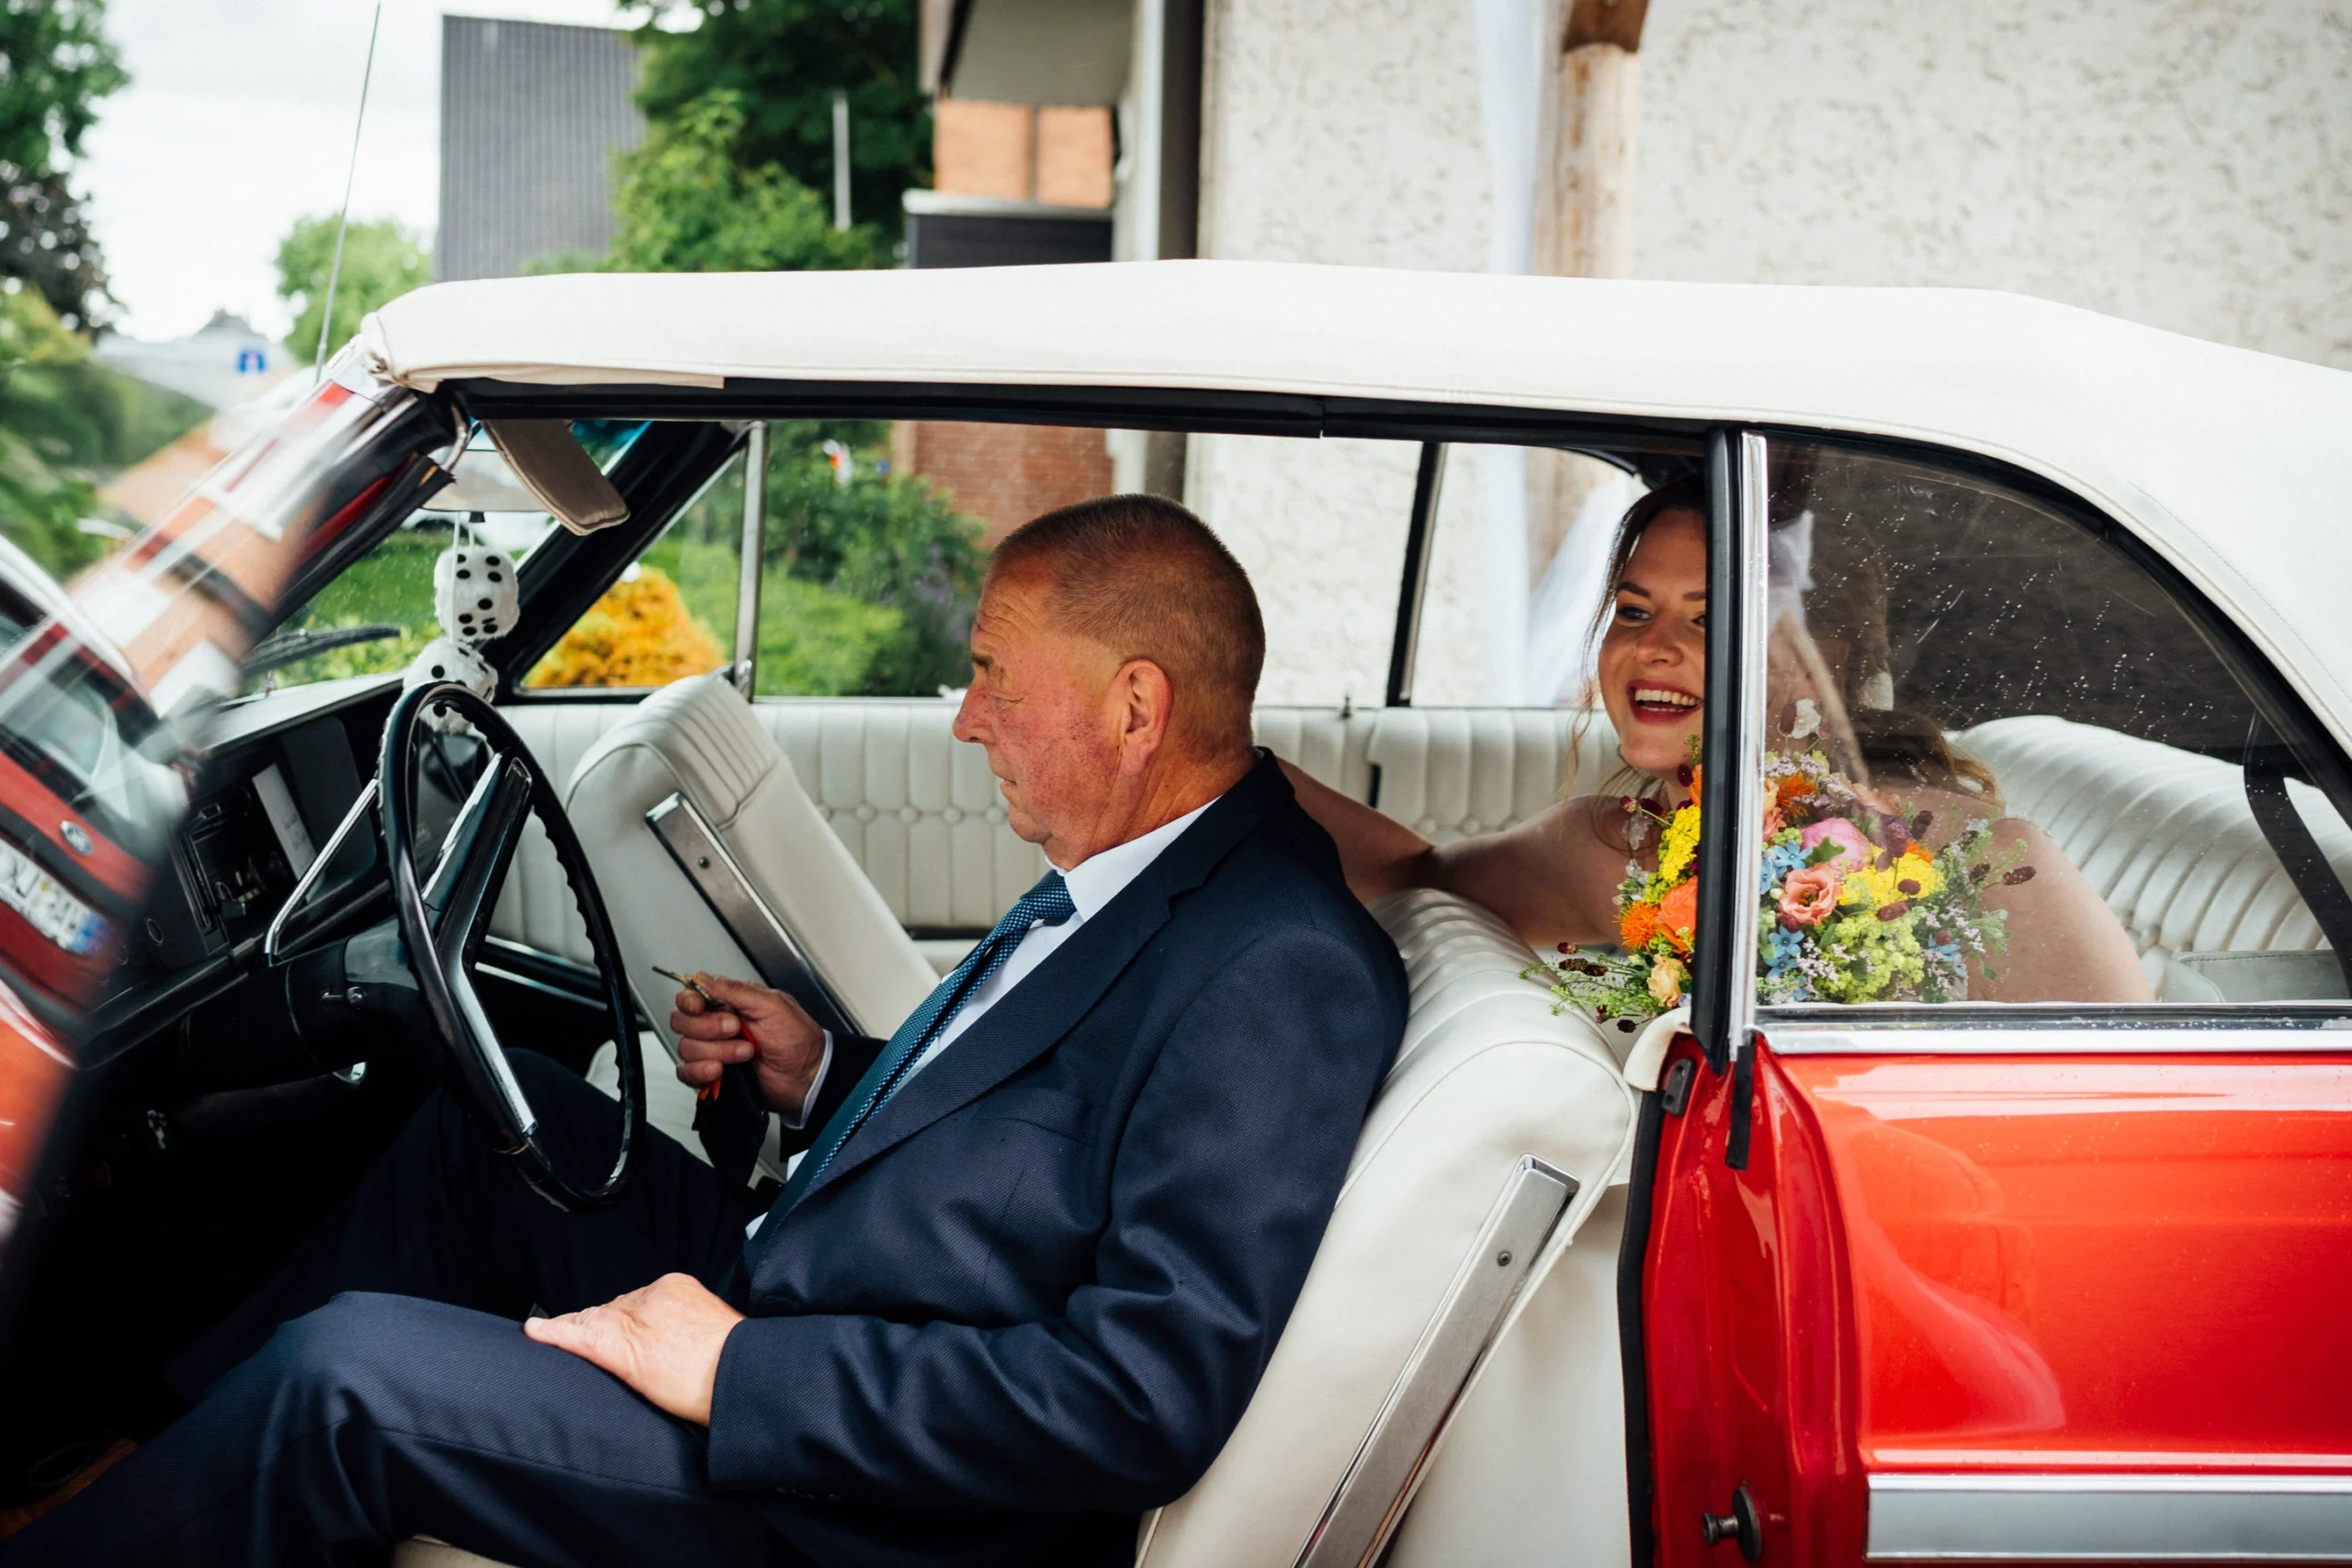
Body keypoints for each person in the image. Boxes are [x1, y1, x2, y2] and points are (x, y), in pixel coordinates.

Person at [4, 496, 1408, 1567]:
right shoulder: (1160, 864)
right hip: (823, 1296)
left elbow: (1135, 1395)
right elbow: (1042, 1135)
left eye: (990, 671)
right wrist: (827, 1076)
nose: (967, 718)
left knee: (353, 1374)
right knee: (497, 1130)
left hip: (874, 1499)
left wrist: (738, 1366)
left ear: (1136, 705)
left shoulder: (1276, 967)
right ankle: (159, 1461)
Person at [1285, 473, 2151, 1003]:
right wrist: (1219, 769)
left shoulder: (1986, 862)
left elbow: (2130, 1108)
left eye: (1710, 619)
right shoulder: (1604, 846)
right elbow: (1418, 876)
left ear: (1814, 656)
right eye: (1633, 611)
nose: (1654, 647)